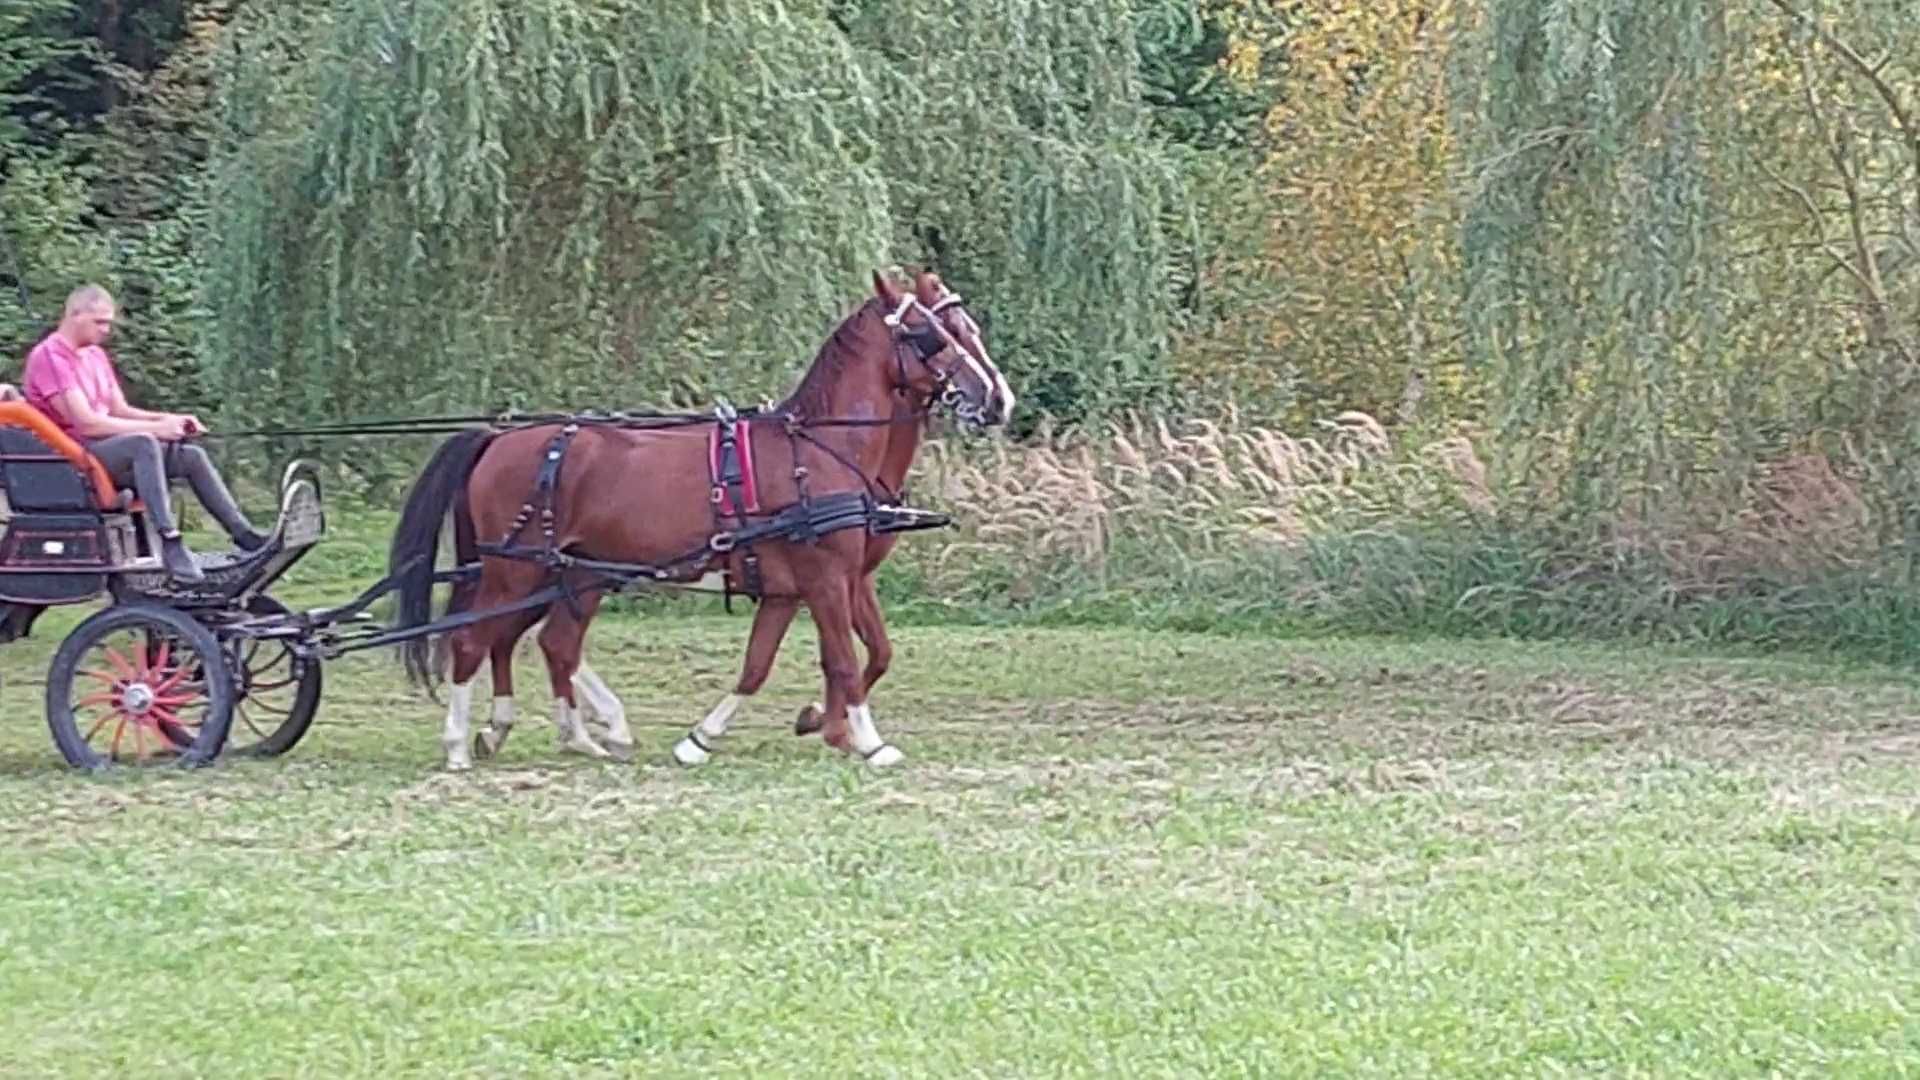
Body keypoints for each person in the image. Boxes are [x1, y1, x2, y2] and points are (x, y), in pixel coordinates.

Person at [21, 284, 266, 584]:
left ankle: (243, 534)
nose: (106, 330)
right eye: (100, 322)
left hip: (106, 451)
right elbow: (88, 424)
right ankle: (169, 540)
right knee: (143, 443)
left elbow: (121, 410)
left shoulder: (95, 356)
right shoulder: (50, 357)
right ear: (75, 314)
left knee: (191, 456)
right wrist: (156, 430)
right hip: (74, 459)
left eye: (109, 322)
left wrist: (169, 420)